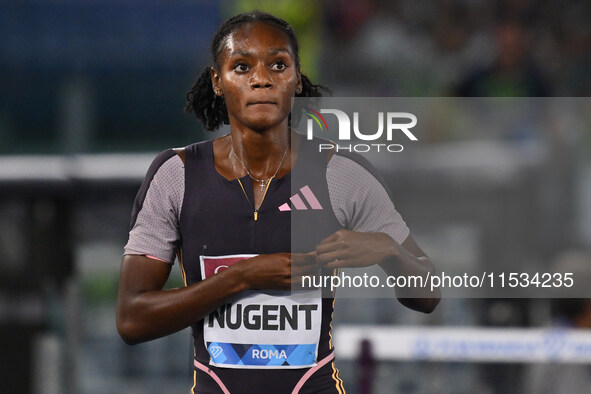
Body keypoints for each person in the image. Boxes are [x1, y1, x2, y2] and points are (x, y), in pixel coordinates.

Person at [116, 11, 440, 394]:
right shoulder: (177, 175)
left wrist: (389, 251)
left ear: (297, 79)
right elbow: (132, 320)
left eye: (278, 65)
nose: (261, 78)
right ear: (217, 82)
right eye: (242, 66)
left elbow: (429, 294)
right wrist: (243, 277)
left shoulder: (342, 174)